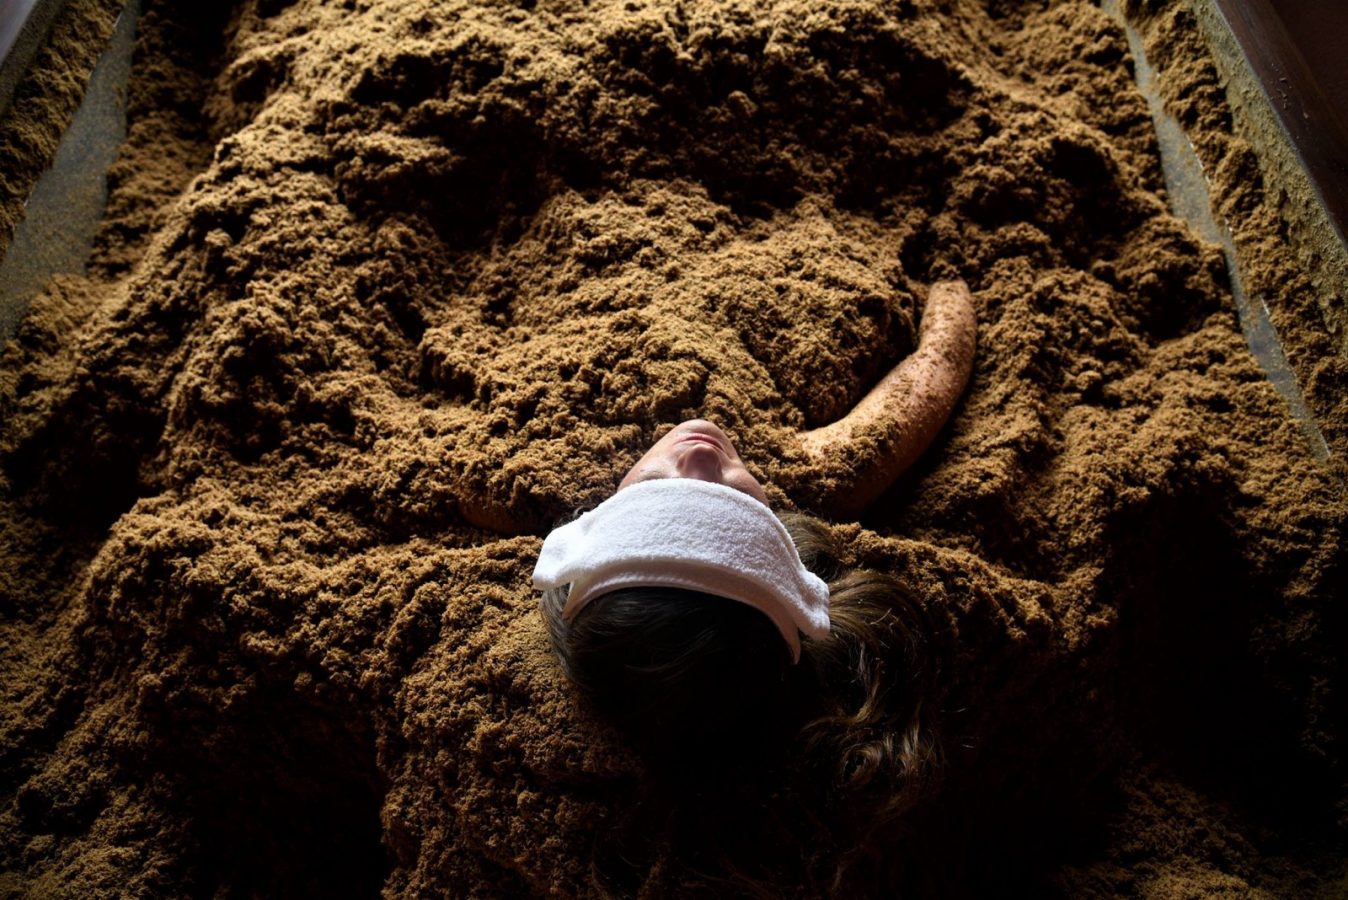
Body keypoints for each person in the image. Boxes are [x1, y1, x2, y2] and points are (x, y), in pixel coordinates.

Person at [534, 280, 977, 823]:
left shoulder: (541, 476)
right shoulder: (827, 486)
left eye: (655, 492)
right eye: (735, 500)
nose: (698, 459)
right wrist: (949, 307)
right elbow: (934, 369)